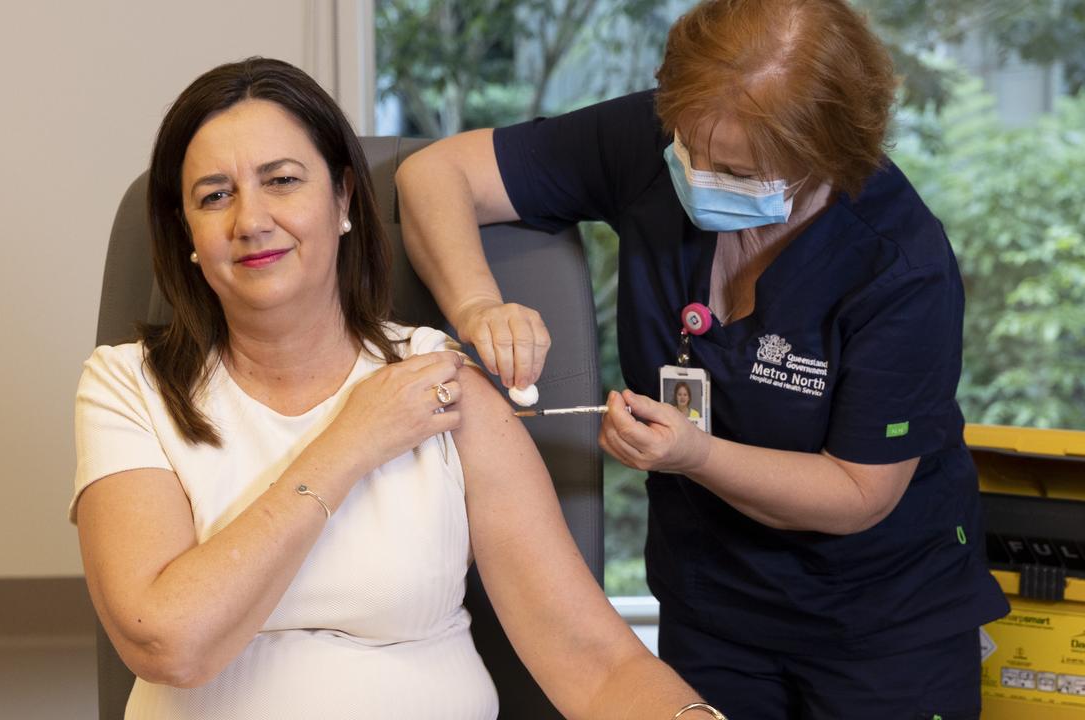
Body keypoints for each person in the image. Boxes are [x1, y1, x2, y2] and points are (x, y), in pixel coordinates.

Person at [395, 1, 1009, 717]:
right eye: (692, 149)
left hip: (881, 624)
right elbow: (434, 175)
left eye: (739, 170)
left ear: (829, 158)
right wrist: (478, 307)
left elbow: (857, 494)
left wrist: (695, 456)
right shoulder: (658, 141)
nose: (702, 178)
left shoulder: (899, 267)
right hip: (710, 607)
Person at [70, 58, 715, 720]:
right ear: (187, 235)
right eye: (214, 196)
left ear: (344, 199)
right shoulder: (128, 387)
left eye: (282, 181)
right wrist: (352, 439)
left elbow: (593, 661)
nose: (251, 220)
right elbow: (170, 644)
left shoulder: (441, 385)